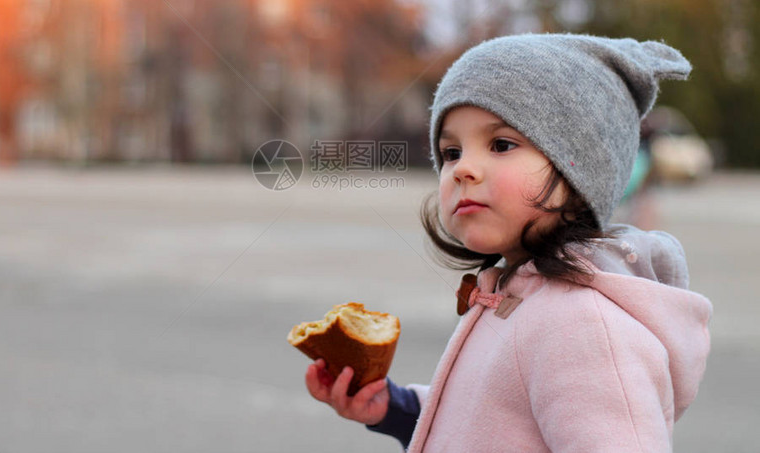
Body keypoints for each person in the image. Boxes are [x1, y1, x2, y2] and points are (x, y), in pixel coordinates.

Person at [301, 34, 713, 452]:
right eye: (450, 152)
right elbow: (488, 419)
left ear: (581, 168)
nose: (463, 169)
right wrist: (400, 409)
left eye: (501, 144)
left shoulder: (581, 329)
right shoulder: (516, 294)